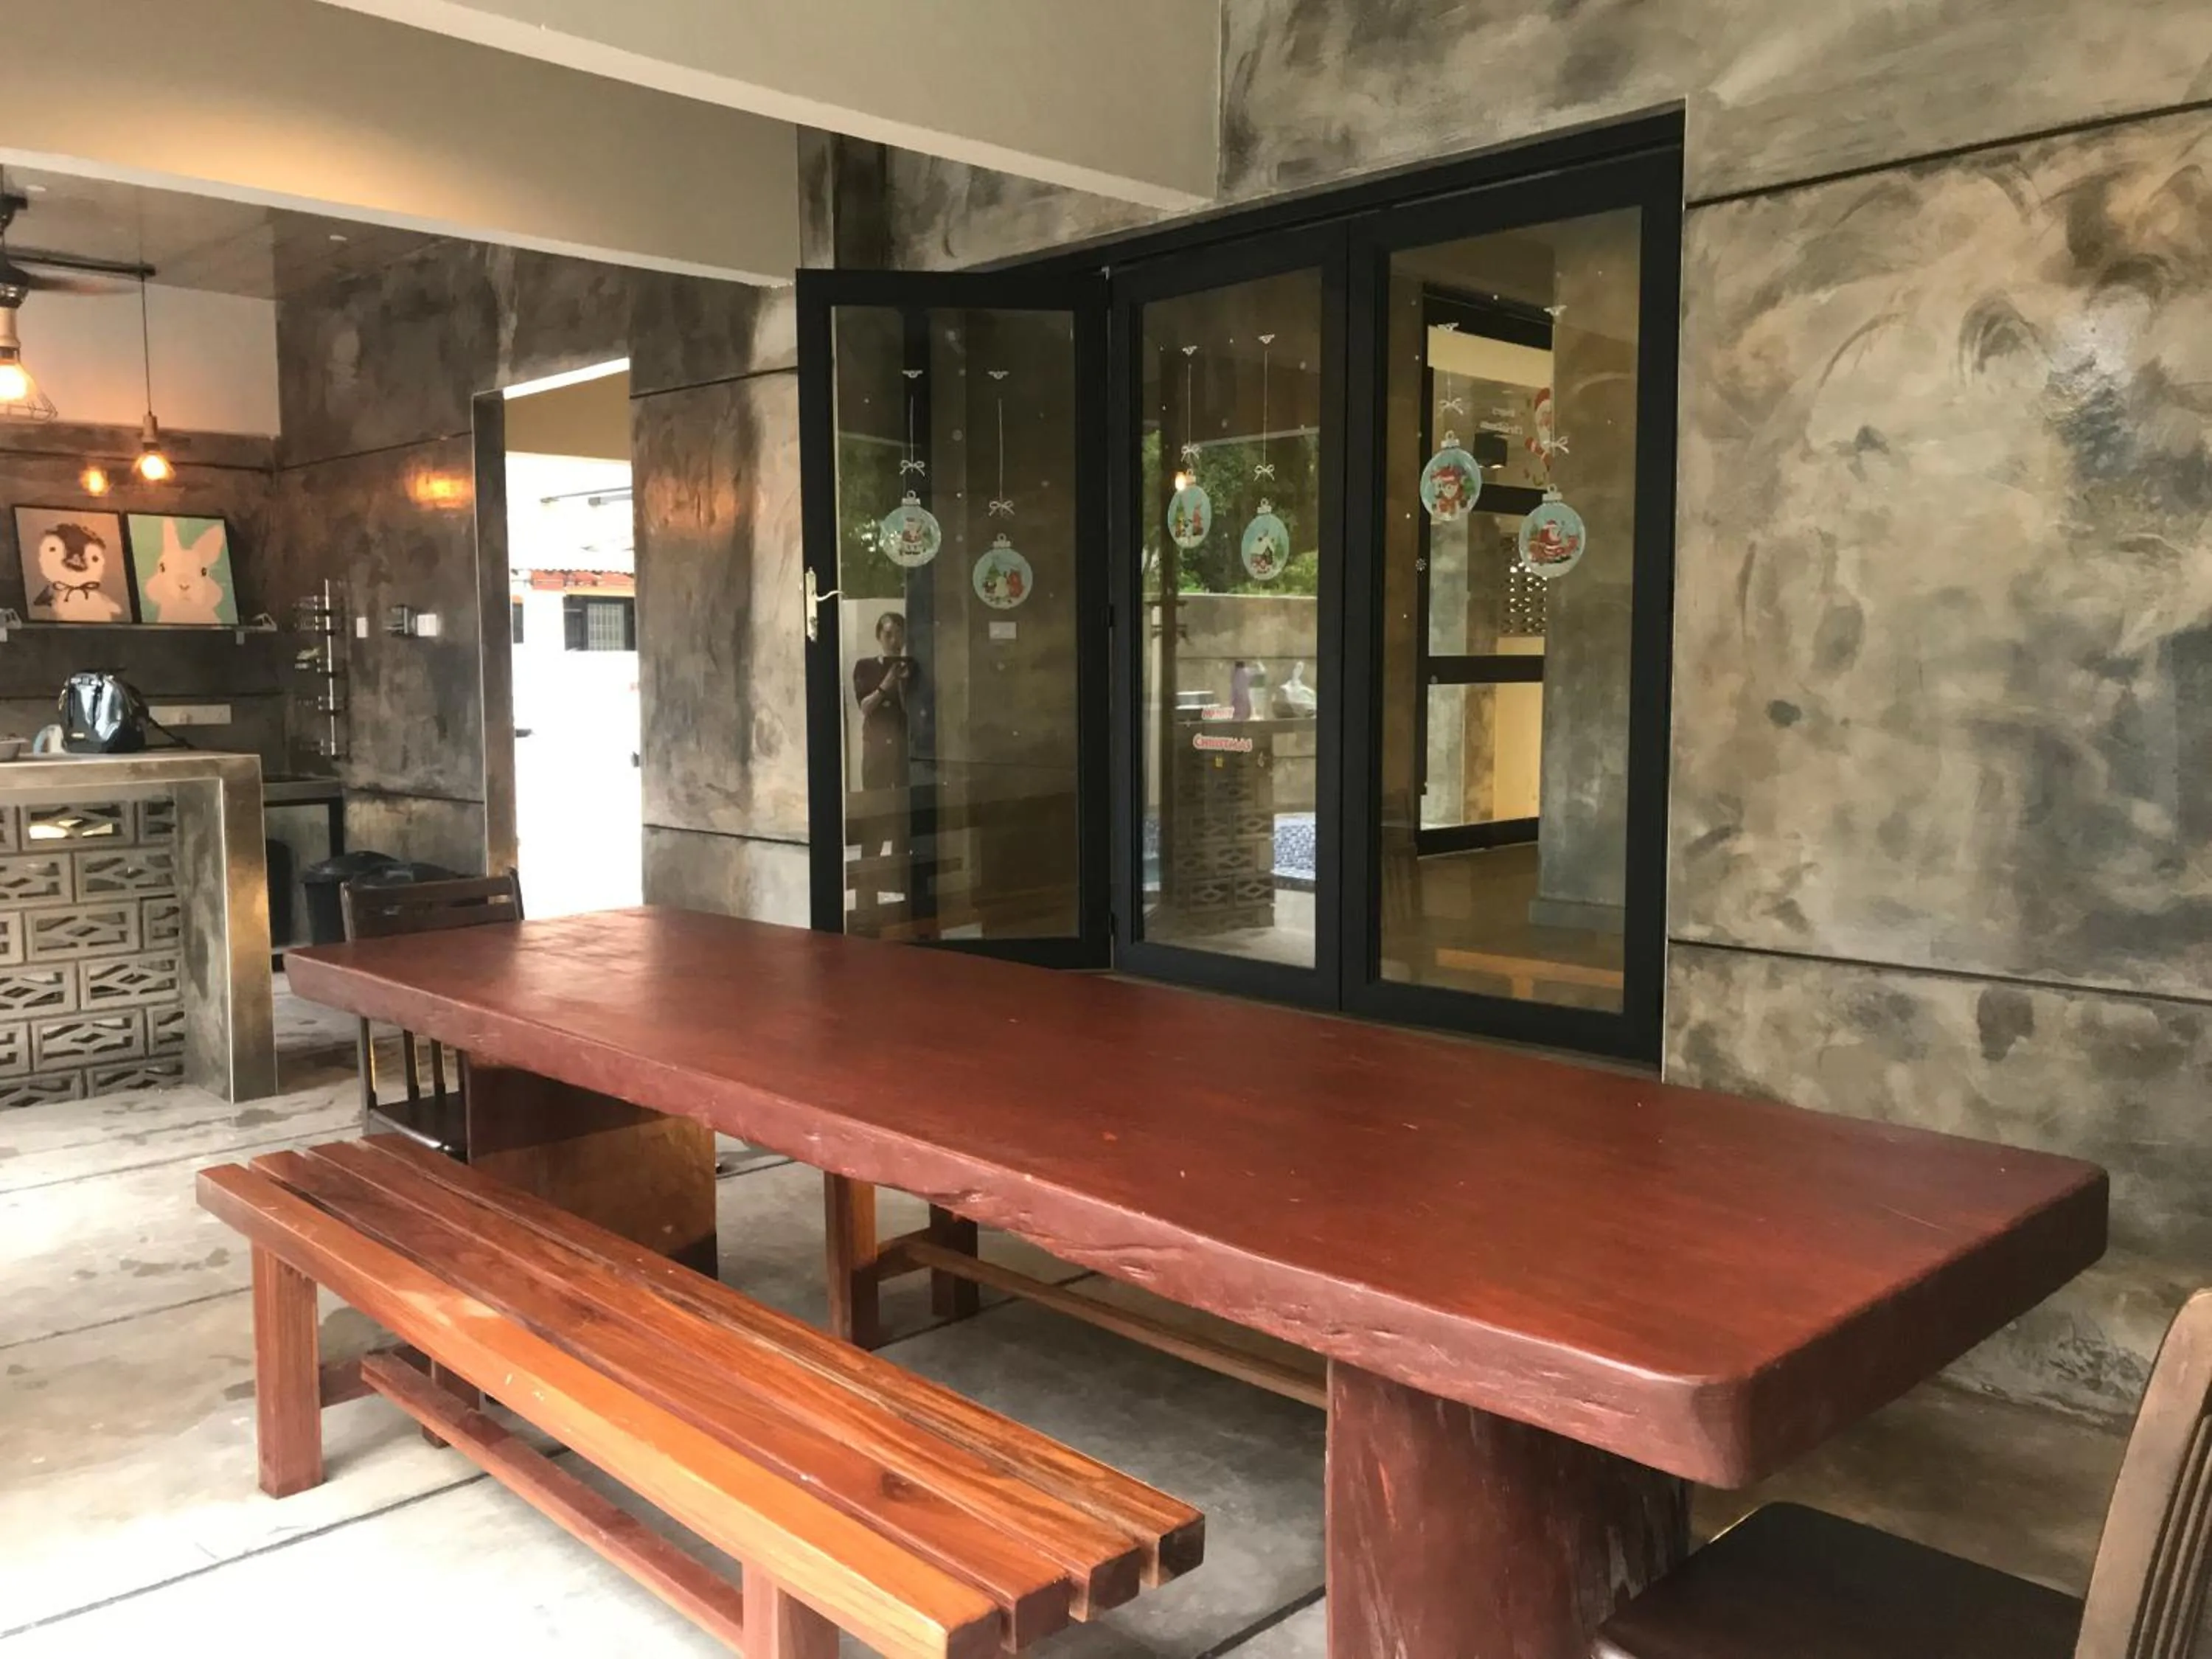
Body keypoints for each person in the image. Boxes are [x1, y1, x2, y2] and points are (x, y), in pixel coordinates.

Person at [852, 611, 917, 790]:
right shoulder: (865, 666)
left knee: (904, 798)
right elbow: (865, 708)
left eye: (899, 634)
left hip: (904, 746)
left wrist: (904, 684)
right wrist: (886, 685)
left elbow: (913, 711)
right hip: (876, 746)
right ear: (878, 637)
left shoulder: (914, 667)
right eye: (888, 635)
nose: (894, 642)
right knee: (875, 799)